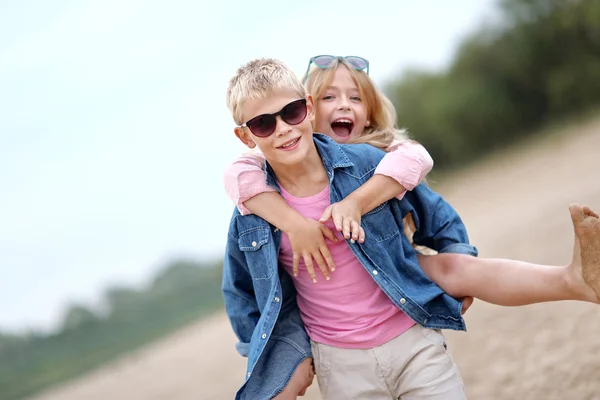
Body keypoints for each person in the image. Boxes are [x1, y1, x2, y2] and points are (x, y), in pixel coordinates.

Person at [221, 57, 600, 399]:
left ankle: (574, 280)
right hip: (340, 359)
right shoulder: (252, 210)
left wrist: (458, 263)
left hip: (407, 329)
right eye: (263, 123)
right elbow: (240, 289)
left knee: (457, 270)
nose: (283, 128)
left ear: (304, 106)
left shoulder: (371, 164)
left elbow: (433, 210)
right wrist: (267, 351)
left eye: (290, 112)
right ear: (246, 135)